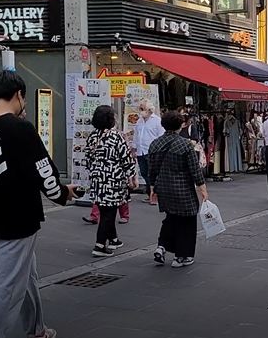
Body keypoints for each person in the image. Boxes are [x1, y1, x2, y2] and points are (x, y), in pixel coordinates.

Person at [0, 71, 75, 338]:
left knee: (25, 276)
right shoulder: (22, 128)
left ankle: (37, 331)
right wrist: (62, 195)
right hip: (20, 216)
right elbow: (45, 174)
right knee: (7, 286)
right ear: (19, 94)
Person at [149, 112, 209, 268]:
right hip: (183, 189)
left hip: (163, 188)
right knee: (187, 220)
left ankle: (162, 246)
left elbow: (152, 170)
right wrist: (203, 189)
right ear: (180, 125)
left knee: (171, 217)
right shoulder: (185, 144)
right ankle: (182, 256)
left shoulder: (155, 144)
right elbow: (195, 170)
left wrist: (152, 188)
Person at [85, 106, 138, 257]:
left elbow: (88, 159)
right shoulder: (116, 137)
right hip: (113, 179)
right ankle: (99, 245)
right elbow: (126, 159)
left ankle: (113, 239)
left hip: (97, 179)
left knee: (104, 209)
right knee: (109, 213)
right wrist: (132, 177)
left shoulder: (92, 136)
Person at [133, 100, 165, 205]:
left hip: (152, 152)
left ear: (149, 110)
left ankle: (155, 195)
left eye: (143, 109)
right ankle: (149, 194)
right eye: (140, 109)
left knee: (153, 174)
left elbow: (161, 137)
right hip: (141, 151)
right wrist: (134, 148)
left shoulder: (157, 121)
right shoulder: (139, 121)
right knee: (144, 173)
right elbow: (136, 136)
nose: (141, 111)